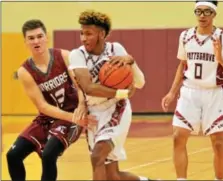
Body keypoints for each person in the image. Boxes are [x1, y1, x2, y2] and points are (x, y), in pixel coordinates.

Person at [69, 10, 156, 181]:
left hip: (116, 108)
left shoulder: (116, 49)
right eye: (82, 33)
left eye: (88, 33)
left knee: (97, 157)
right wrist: (121, 92)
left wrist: (131, 61)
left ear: (101, 34)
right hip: (94, 113)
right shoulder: (77, 54)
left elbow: (140, 82)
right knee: (112, 175)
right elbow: (88, 87)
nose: (83, 38)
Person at [6, 19, 95, 181]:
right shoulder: (24, 71)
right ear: (25, 42)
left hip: (71, 117)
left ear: (46, 37)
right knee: (12, 155)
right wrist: (74, 118)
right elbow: (42, 106)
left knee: (48, 155)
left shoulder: (65, 56)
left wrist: (80, 110)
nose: (36, 41)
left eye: (39, 36)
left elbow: (82, 87)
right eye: (31, 38)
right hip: (48, 118)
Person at [161, 1, 223, 180]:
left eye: (207, 11)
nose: (202, 15)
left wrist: (220, 58)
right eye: (199, 11)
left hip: (214, 92)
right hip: (190, 91)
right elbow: (182, 65)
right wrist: (172, 92)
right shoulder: (185, 36)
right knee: (177, 137)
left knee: (218, 143)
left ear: (214, 14)